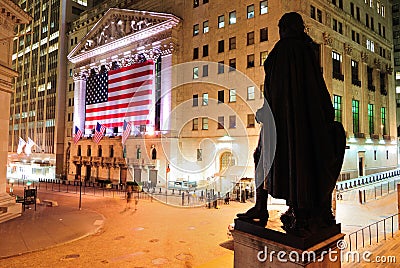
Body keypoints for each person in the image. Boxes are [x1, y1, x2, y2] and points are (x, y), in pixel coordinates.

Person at [237, 12, 346, 235]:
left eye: (281, 27)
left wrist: (264, 113)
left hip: (281, 123)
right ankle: (290, 208)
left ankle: (263, 208)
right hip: (302, 124)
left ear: (286, 28)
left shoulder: (283, 51)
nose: (280, 31)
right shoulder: (307, 50)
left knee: (262, 157)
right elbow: (319, 89)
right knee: (291, 160)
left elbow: (274, 91)